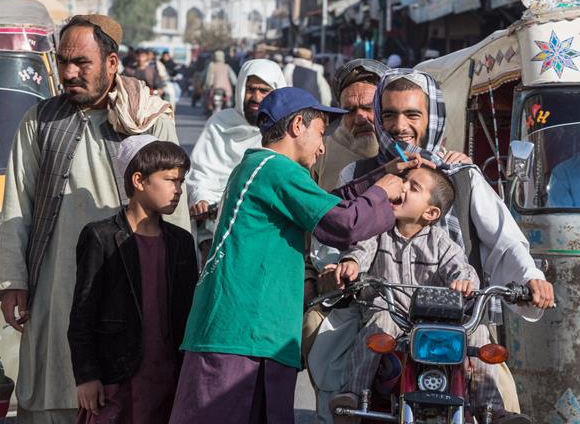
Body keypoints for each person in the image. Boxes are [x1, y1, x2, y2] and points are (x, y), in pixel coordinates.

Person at [169, 87, 425, 423]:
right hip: (240, 335)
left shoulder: (263, 169)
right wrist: (382, 192)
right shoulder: (275, 168)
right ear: (296, 127)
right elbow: (343, 223)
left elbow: (328, 202)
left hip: (257, 336)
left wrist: (380, 174)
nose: (322, 147)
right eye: (320, 133)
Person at [315, 70, 554, 414]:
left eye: (413, 114)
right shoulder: (359, 174)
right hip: (381, 309)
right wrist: (338, 269)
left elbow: (504, 237)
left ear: (433, 119)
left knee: (497, 388)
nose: (400, 125)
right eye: (389, 114)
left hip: (455, 317)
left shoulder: (463, 175)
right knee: (327, 376)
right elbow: (342, 235)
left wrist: (530, 275)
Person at [0, 14, 190, 424]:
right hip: (56, 282)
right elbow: (18, 207)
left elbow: (178, 213)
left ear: (112, 63)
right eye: (63, 62)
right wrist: (12, 281)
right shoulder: (40, 122)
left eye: (81, 63)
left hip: (132, 284)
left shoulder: (150, 120)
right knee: (54, 391)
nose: (68, 73)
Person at [330, 167, 524, 423]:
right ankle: (353, 394)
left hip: (436, 323)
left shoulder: (442, 242)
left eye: (413, 187)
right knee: (380, 323)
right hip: (393, 315)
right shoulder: (378, 232)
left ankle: (489, 409)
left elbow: (461, 269)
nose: (402, 187)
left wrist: (464, 281)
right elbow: (361, 252)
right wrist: (352, 264)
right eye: (403, 181)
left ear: (431, 213)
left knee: (478, 332)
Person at [68, 136, 197, 423]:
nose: (177, 190)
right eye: (169, 180)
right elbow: (82, 314)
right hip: (117, 380)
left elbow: (190, 313)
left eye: (181, 182)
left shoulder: (181, 242)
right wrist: (86, 376)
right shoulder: (100, 237)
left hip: (168, 380)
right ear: (139, 180)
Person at [186, 59, 287, 220]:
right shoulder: (219, 123)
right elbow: (199, 174)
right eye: (250, 89)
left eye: (264, 90)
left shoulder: (285, 132)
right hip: (214, 217)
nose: (256, 97)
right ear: (241, 89)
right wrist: (201, 198)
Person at [313, 59, 388, 191]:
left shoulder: (404, 149)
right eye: (349, 111)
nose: (359, 119)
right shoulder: (321, 150)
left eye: (368, 107)